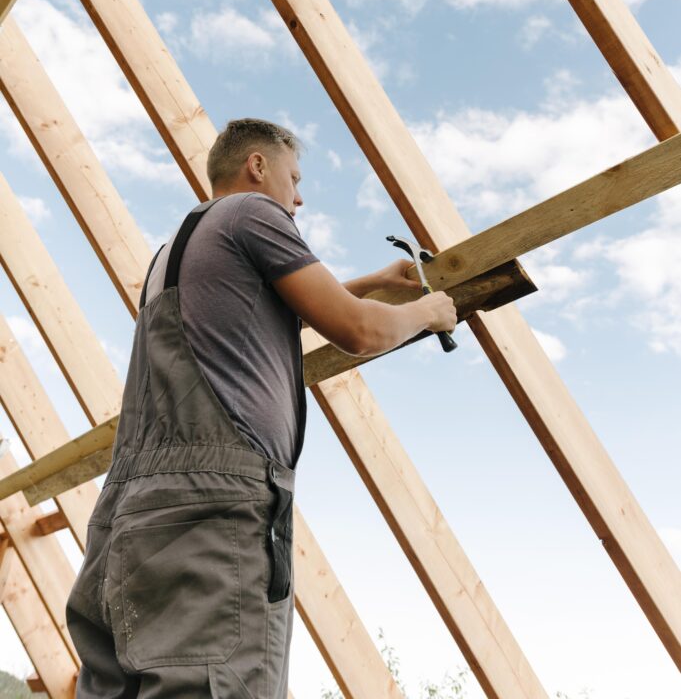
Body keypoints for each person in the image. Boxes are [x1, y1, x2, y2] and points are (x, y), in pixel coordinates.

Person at [66, 118, 457, 698]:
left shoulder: (175, 250)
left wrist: (373, 279)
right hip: (212, 511)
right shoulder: (253, 213)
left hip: (130, 515)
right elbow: (356, 330)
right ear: (257, 165)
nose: (298, 198)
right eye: (294, 178)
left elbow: (262, 309)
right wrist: (431, 312)